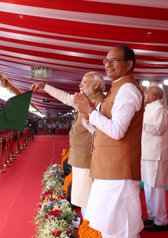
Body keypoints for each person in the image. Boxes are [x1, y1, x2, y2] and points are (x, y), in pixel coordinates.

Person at [73, 45, 144, 238]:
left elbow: (118, 131)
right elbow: (102, 131)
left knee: (119, 228)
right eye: (106, 60)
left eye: (114, 60)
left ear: (129, 64)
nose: (107, 64)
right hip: (107, 168)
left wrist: (91, 111)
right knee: (107, 225)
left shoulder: (128, 90)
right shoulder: (116, 89)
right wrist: (87, 115)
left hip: (118, 170)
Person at [30, 71, 105, 217]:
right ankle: (88, 224)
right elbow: (65, 97)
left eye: (84, 82)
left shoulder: (101, 103)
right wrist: (44, 86)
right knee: (83, 195)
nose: (80, 85)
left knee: (87, 196)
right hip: (81, 156)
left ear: (96, 85)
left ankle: (91, 227)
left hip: (88, 157)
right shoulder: (86, 100)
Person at [141, 83, 168, 231]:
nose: (144, 95)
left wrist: (141, 123)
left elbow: (158, 129)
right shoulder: (148, 109)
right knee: (148, 187)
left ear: (156, 96)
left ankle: (161, 220)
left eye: (147, 93)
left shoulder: (161, 110)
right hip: (147, 154)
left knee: (156, 188)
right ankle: (152, 216)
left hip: (156, 155)